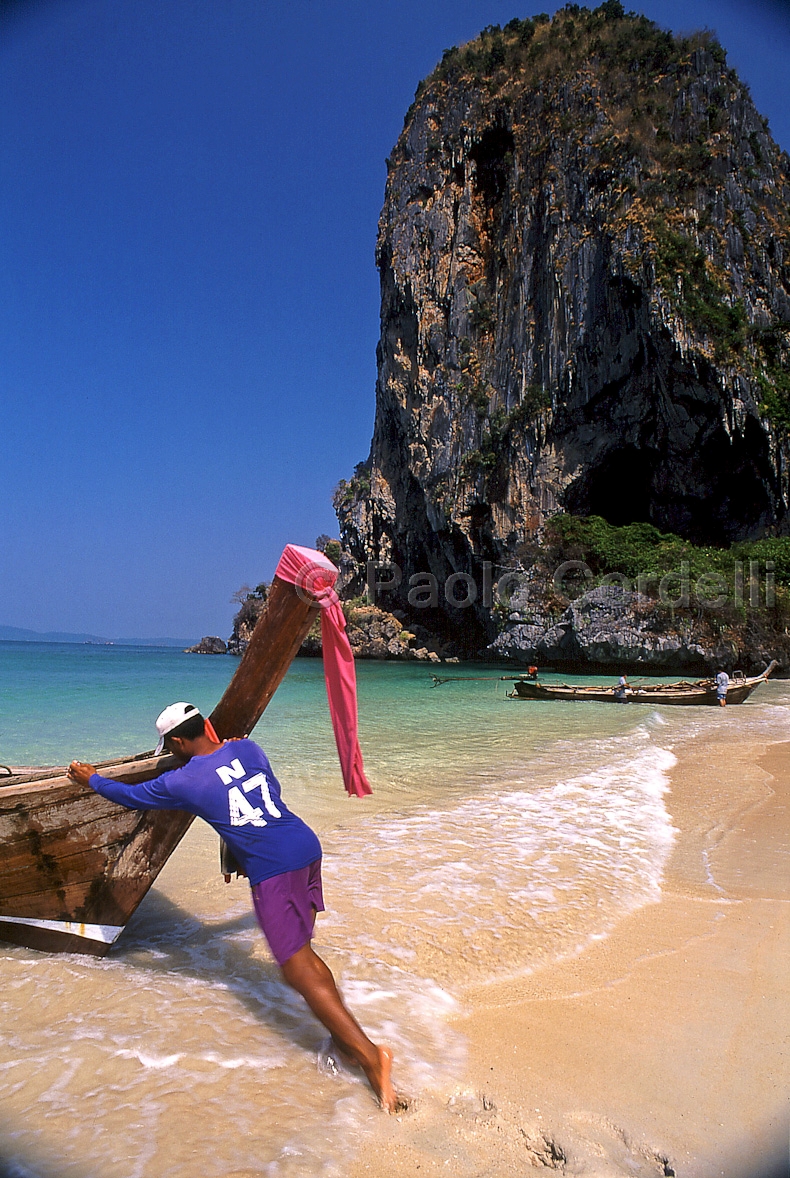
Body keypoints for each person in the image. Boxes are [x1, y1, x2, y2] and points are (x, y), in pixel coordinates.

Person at [68, 702, 397, 1112]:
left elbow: (131, 797)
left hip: (273, 869)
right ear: (207, 725)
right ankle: (345, 1041)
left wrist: (91, 778)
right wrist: (234, 851)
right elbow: (260, 799)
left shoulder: (180, 781)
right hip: (304, 846)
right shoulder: (250, 749)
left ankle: (370, 1059)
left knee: (296, 969)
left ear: (175, 743)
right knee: (304, 957)